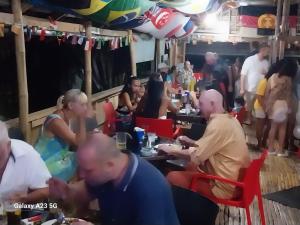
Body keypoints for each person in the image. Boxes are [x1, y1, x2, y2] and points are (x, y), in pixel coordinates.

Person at [48, 133, 180, 225]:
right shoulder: (105, 174)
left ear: (109, 165)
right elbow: (82, 192)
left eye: (87, 170)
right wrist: (66, 190)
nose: (81, 175)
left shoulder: (149, 190)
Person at [158, 89, 250, 200]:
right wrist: (192, 142)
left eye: (201, 104)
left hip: (223, 187)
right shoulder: (230, 120)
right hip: (236, 183)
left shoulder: (217, 124)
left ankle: (179, 213)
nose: (198, 108)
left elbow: (196, 156)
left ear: (212, 104)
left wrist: (170, 149)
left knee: (171, 176)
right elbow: (214, 146)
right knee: (189, 168)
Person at [35, 89, 88, 181]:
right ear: (71, 105)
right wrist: (82, 119)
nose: (85, 108)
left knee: (86, 156)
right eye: (82, 105)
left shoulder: (67, 117)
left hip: (58, 158)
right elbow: (79, 142)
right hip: (44, 165)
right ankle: (71, 191)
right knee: (83, 159)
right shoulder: (55, 121)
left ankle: (72, 190)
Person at [0, 121, 51, 203]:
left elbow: (46, 189)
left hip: (17, 210)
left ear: (8, 145)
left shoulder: (27, 154)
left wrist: (26, 198)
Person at [265, 59, 298, 157]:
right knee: (283, 128)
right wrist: (289, 108)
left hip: (274, 104)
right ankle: (280, 151)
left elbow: (267, 92)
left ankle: (270, 150)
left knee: (273, 128)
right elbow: (289, 95)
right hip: (284, 104)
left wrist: (268, 106)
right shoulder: (288, 79)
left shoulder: (273, 77)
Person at [254, 60, 284, 150]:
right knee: (261, 125)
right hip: (260, 105)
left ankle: (263, 142)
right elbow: (259, 97)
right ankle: (259, 143)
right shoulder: (264, 81)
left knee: (269, 125)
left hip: (269, 106)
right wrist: (265, 108)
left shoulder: (274, 81)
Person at [240, 43, 270, 124]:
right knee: (249, 106)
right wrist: (242, 88)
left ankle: (256, 121)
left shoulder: (266, 62)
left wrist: (266, 73)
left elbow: (267, 76)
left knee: (257, 106)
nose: (268, 53)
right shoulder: (249, 60)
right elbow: (243, 74)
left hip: (260, 89)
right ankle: (249, 119)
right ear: (262, 50)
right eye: (267, 51)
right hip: (249, 88)